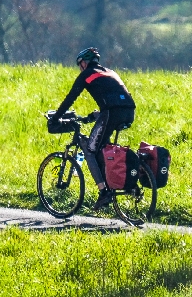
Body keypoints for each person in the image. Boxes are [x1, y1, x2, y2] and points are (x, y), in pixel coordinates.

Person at [49, 47, 136, 209]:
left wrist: (56, 117)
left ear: (84, 62)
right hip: (129, 111)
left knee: (89, 150)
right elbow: (113, 95)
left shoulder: (86, 74)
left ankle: (104, 192)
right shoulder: (110, 72)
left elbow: (70, 98)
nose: (80, 67)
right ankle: (114, 182)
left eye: (80, 64)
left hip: (111, 113)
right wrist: (93, 116)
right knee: (103, 148)